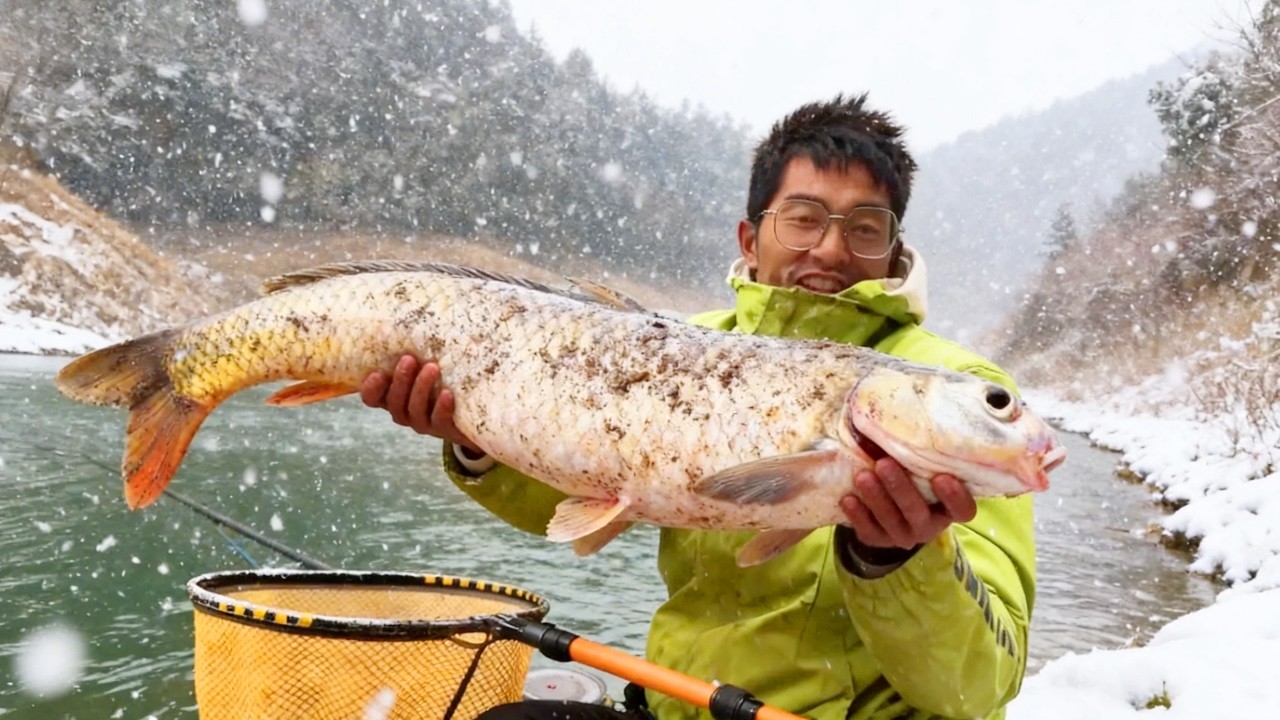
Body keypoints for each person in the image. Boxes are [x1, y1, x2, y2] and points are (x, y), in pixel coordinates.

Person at [361, 94, 1035, 720]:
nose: (830, 248)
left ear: (892, 252)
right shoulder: (679, 346)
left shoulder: (956, 391)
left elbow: (976, 686)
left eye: (864, 228)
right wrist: (475, 438)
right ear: (750, 238)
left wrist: (897, 560)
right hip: (675, 706)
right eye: (803, 219)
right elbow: (579, 491)